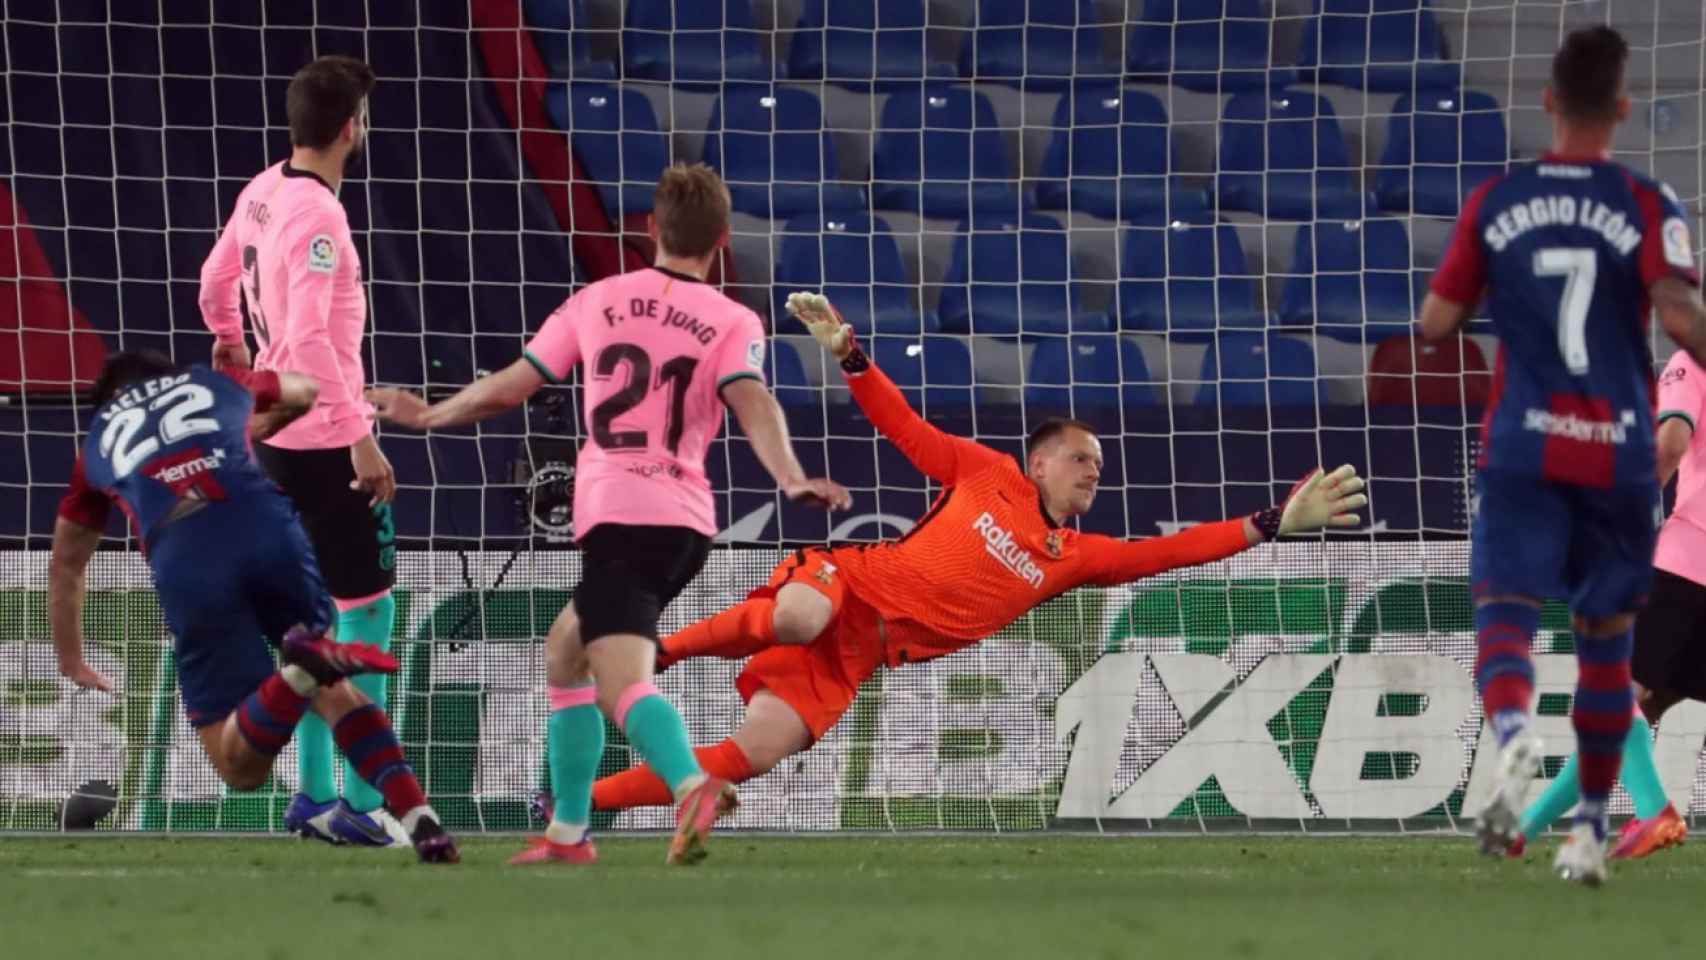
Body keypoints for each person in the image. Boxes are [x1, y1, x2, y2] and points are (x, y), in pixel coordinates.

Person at [582, 291, 1368, 816]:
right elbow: (904, 427)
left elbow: (1170, 555)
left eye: (1098, 463)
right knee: (796, 613)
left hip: (862, 655)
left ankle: (582, 801)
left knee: (750, 757)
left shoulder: (1075, 555)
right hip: (846, 585)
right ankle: (659, 653)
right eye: (1079, 457)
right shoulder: (984, 472)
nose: (1094, 469)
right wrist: (852, 355)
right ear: (1037, 462)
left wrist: (1270, 521)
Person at [369, 163, 851, 866]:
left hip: (625, 516)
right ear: (720, 239)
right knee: (565, 654)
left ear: (649, 229)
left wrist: (430, 413)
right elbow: (753, 399)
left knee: (618, 680)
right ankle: (569, 832)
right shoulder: (734, 319)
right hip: (681, 520)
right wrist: (790, 476)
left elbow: (512, 387)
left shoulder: (597, 301)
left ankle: (692, 785)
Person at [1419, 25, 1706, 885]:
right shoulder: (1651, 209)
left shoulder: (1503, 202)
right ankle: (1518, 828)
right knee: (1627, 707)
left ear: (1547, 102)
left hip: (1676, 554)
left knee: (1589, 671)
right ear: (1624, 107)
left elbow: (1671, 436)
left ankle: (1630, 808)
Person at [48, 350, 457, 863]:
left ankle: (298, 674)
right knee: (336, 689)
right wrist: (256, 424)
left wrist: (71, 658)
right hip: (268, 524)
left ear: (110, 401)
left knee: (238, 767)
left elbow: (66, 566)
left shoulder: (98, 442)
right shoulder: (213, 382)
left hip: (186, 550)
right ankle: (423, 822)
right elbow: (306, 388)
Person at [196, 55, 407, 847]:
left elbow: (215, 282)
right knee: (366, 613)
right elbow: (313, 341)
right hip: (322, 440)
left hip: (274, 441)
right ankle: (358, 801)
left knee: (309, 621)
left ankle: (313, 796)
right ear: (354, 127)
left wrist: (228, 344)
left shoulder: (261, 189)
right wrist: (361, 442)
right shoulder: (319, 218)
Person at [1509, 346, 1706, 861]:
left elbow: (1670, 442)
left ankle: (1652, 809)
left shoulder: (1694, 359)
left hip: (1693, 563)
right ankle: (1522, 829)